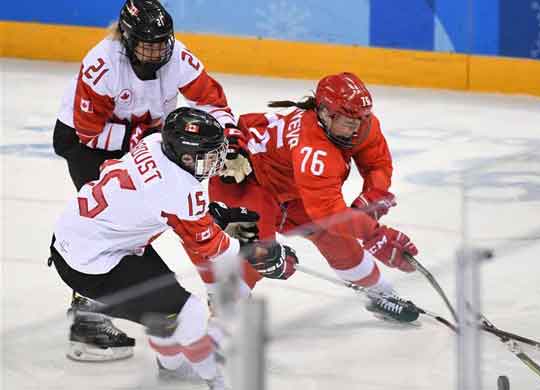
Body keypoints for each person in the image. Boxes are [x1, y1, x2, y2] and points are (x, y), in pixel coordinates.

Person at [49, 107, 298, 389]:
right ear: (185, 154)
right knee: (189, 311)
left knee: (169, 308)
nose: (215, 164)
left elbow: (151, 198)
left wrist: (209, 214)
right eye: (207, 156)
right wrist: (258, 253)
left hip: (82, 237)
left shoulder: (154, 143)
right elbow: (210, 246)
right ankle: (216, 381)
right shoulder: (179, 188)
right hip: (93, 263)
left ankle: (172, 368)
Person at [51, 0, 238, 361]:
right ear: (126, 38)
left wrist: (232, 142)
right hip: (87, 144)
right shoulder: (103, 65)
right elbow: (90, 133)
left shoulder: (178, 58)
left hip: (150, 140)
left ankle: (171, 314)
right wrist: (152, 143)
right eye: (146, 44)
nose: (157, 51)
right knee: (118, 230)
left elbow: (215, 102)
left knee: (147, 219)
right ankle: (89, 318)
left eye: (162, 42)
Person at [209, 72, 421, 323]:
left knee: (337, 241)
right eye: (348, 120)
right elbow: (328, 212)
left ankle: (380, 294)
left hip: (292, 190)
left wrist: (372, 195)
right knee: (259, 255)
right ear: (324, 113)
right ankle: (223, 319)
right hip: (244, 183)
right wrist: (373, 234)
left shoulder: (362, 125)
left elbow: (377, 163)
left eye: (361, 118)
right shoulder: (313, 150)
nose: (356, 127)